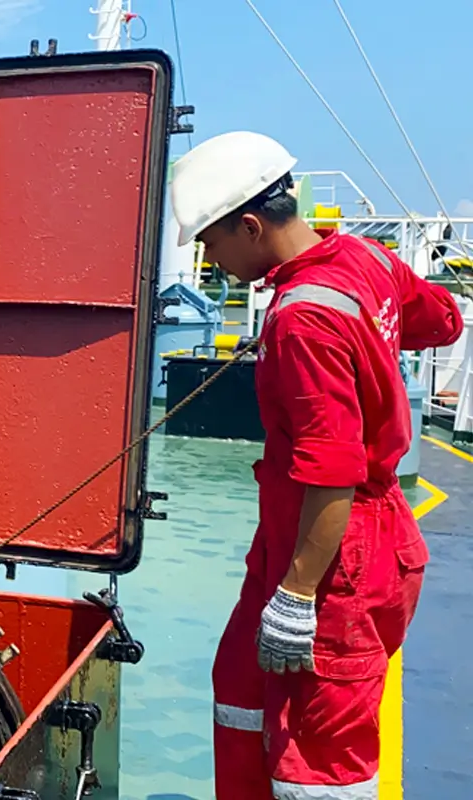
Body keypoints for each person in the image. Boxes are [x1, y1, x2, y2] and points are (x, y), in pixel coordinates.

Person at [170, 131, 464, 799]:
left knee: (321, 749)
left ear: (250, 225)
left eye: (211, 246)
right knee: (241, 683)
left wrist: (299, 595)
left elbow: (333, 475)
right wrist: (376, 339)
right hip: (304, 534)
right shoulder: (364, 258)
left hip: (337, 555)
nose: (211, 262)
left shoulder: (305, 320)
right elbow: (442, 319)